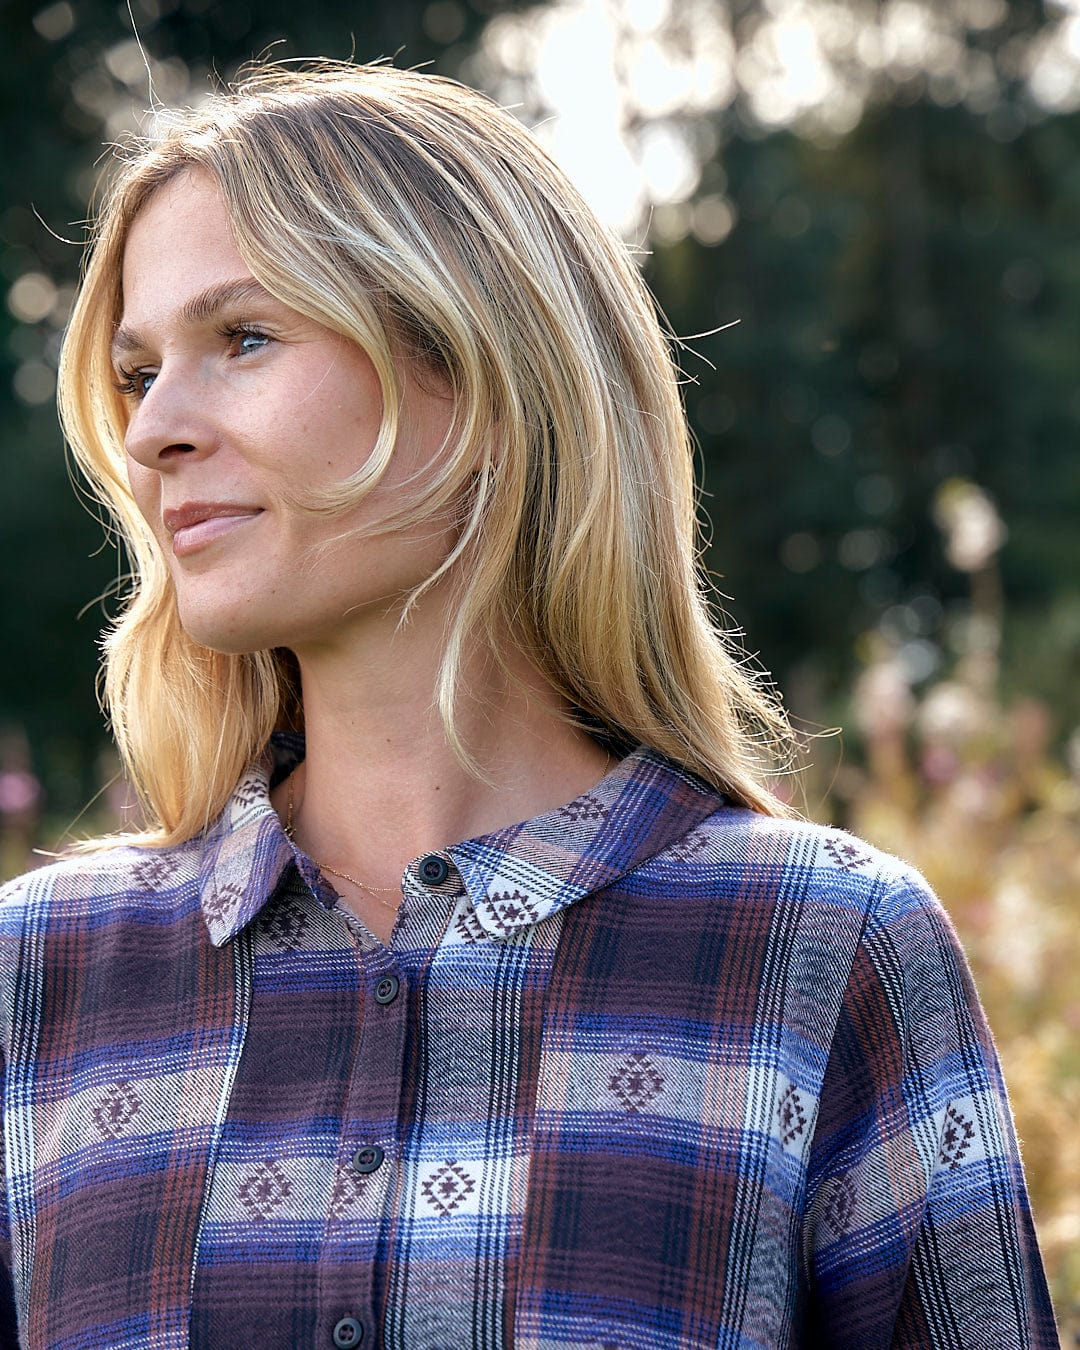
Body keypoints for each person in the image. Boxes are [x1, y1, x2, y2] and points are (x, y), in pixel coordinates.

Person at [0, 61, 1057, 1350]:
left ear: (487, 372)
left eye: (244, 338)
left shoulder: (822, 952)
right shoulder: (40, 974)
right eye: (136, 372)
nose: (155, 426)